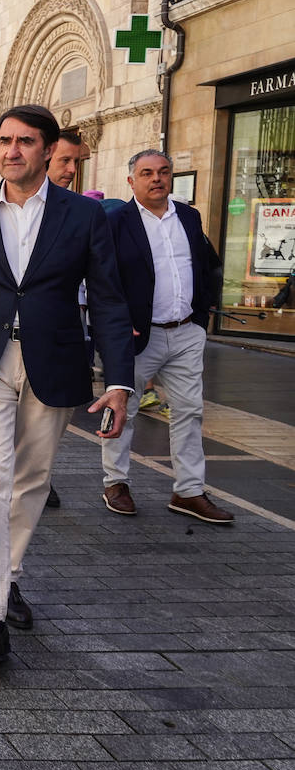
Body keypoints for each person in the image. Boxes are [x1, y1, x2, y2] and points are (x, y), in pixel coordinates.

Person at [0, 104, 133, 663]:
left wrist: (120, 381)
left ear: (48, 151)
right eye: (3, 140)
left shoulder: (84, 217)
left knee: (33, 479)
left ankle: (9, 570)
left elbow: (110, 302)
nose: (10, 150)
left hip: (54, 358)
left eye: (23, 141)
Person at [100, 150, 230, 522]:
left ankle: (188, 491)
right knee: (124, 408)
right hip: (139, 335)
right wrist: (119, 321)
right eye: (146, 173)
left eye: (163, 172)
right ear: (131, 181)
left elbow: (207, 266)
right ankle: (116, 482)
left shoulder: (188, 216)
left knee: (190, 411)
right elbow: (102, 280)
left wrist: (202, 313)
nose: (156, 179)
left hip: (186, 331)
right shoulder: (117, 222)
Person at [38, 130, 88, 510]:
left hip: (57, 340)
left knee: (42, 438)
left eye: (77, 162)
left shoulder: (82, 214)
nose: (72, 170)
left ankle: (41, 478)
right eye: (65, 161)